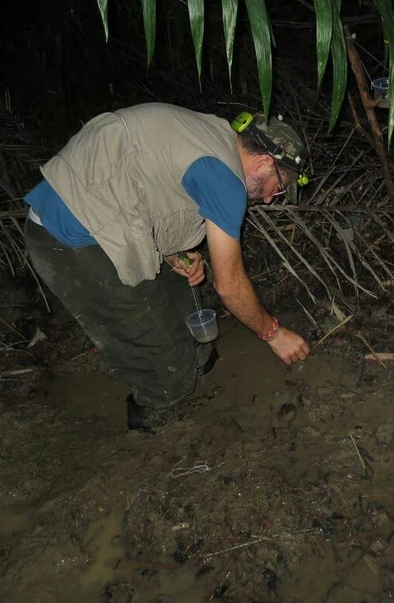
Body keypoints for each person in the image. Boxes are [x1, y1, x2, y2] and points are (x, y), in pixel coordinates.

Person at [23, 103, 312, 432]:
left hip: (94, 212)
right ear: (264, 161)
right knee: (169, 369)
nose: (272, 198)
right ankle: (153, 418)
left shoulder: (212, 136)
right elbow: (230, 286)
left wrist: (172, 252)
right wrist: (273, 334)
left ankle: (191, 360)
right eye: (279, 185)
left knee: (182, 288)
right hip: (70, 239)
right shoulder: (223, 179)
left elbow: (146, 182)